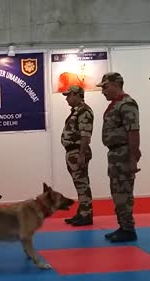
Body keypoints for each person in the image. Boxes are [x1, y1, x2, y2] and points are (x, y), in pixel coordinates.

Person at [96, 72, 141, 242]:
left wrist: (132, 158)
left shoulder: (126, 104)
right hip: (116, 153)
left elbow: (133, 131)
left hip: (123, 153)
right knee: (117, 192)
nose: (103, 91)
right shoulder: (116, 104)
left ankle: (128, 229)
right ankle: (123, 226)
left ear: (116, 84)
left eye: (106, 87)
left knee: (123, 192)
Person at [60, 85, 94, 226]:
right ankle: (82, 213)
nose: (67, 98)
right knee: (79, 184)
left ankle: (86, 215)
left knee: (82, 184)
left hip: (78, 151)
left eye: (69, 95)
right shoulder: (77, 111)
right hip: (72, 152)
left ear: (77, 95)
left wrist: (81, 155)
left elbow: (86, 135)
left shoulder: (84, 111)